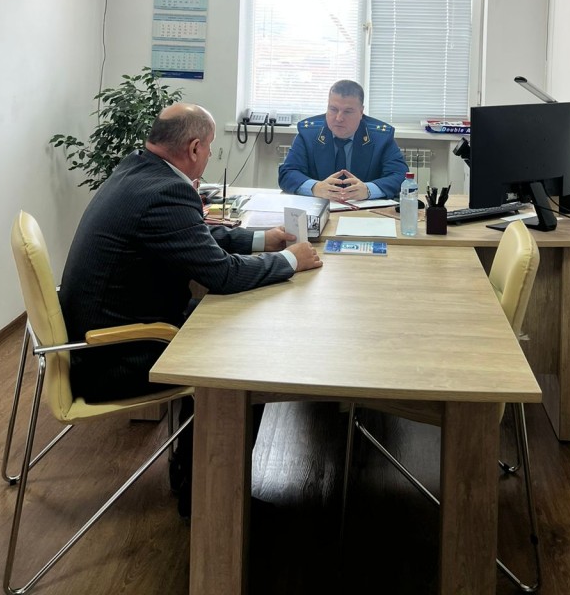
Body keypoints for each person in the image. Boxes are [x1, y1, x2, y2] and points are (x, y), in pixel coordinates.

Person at [60, 102, 322, 515]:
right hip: (115, 357)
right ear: (195, 147)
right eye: (211, 147)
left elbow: (191, 237)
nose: (211, 154)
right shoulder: (167, 191)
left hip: (96, 341)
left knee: (229, 329)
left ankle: (192, 477)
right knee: (245, 363)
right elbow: (222, 275)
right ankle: (212, 500)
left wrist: (261, 240)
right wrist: (291, 260)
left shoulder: (137, 170)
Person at [278, 80, 408, 201]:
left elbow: (401, 176)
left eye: (348, 112)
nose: (339, 118)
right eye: (333, 109)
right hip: (319, 208)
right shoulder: (308, 134)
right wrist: (315, 188)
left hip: (364, 211)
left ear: (361, 112)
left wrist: (368, 190)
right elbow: (287, 173)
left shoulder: (381, 137)